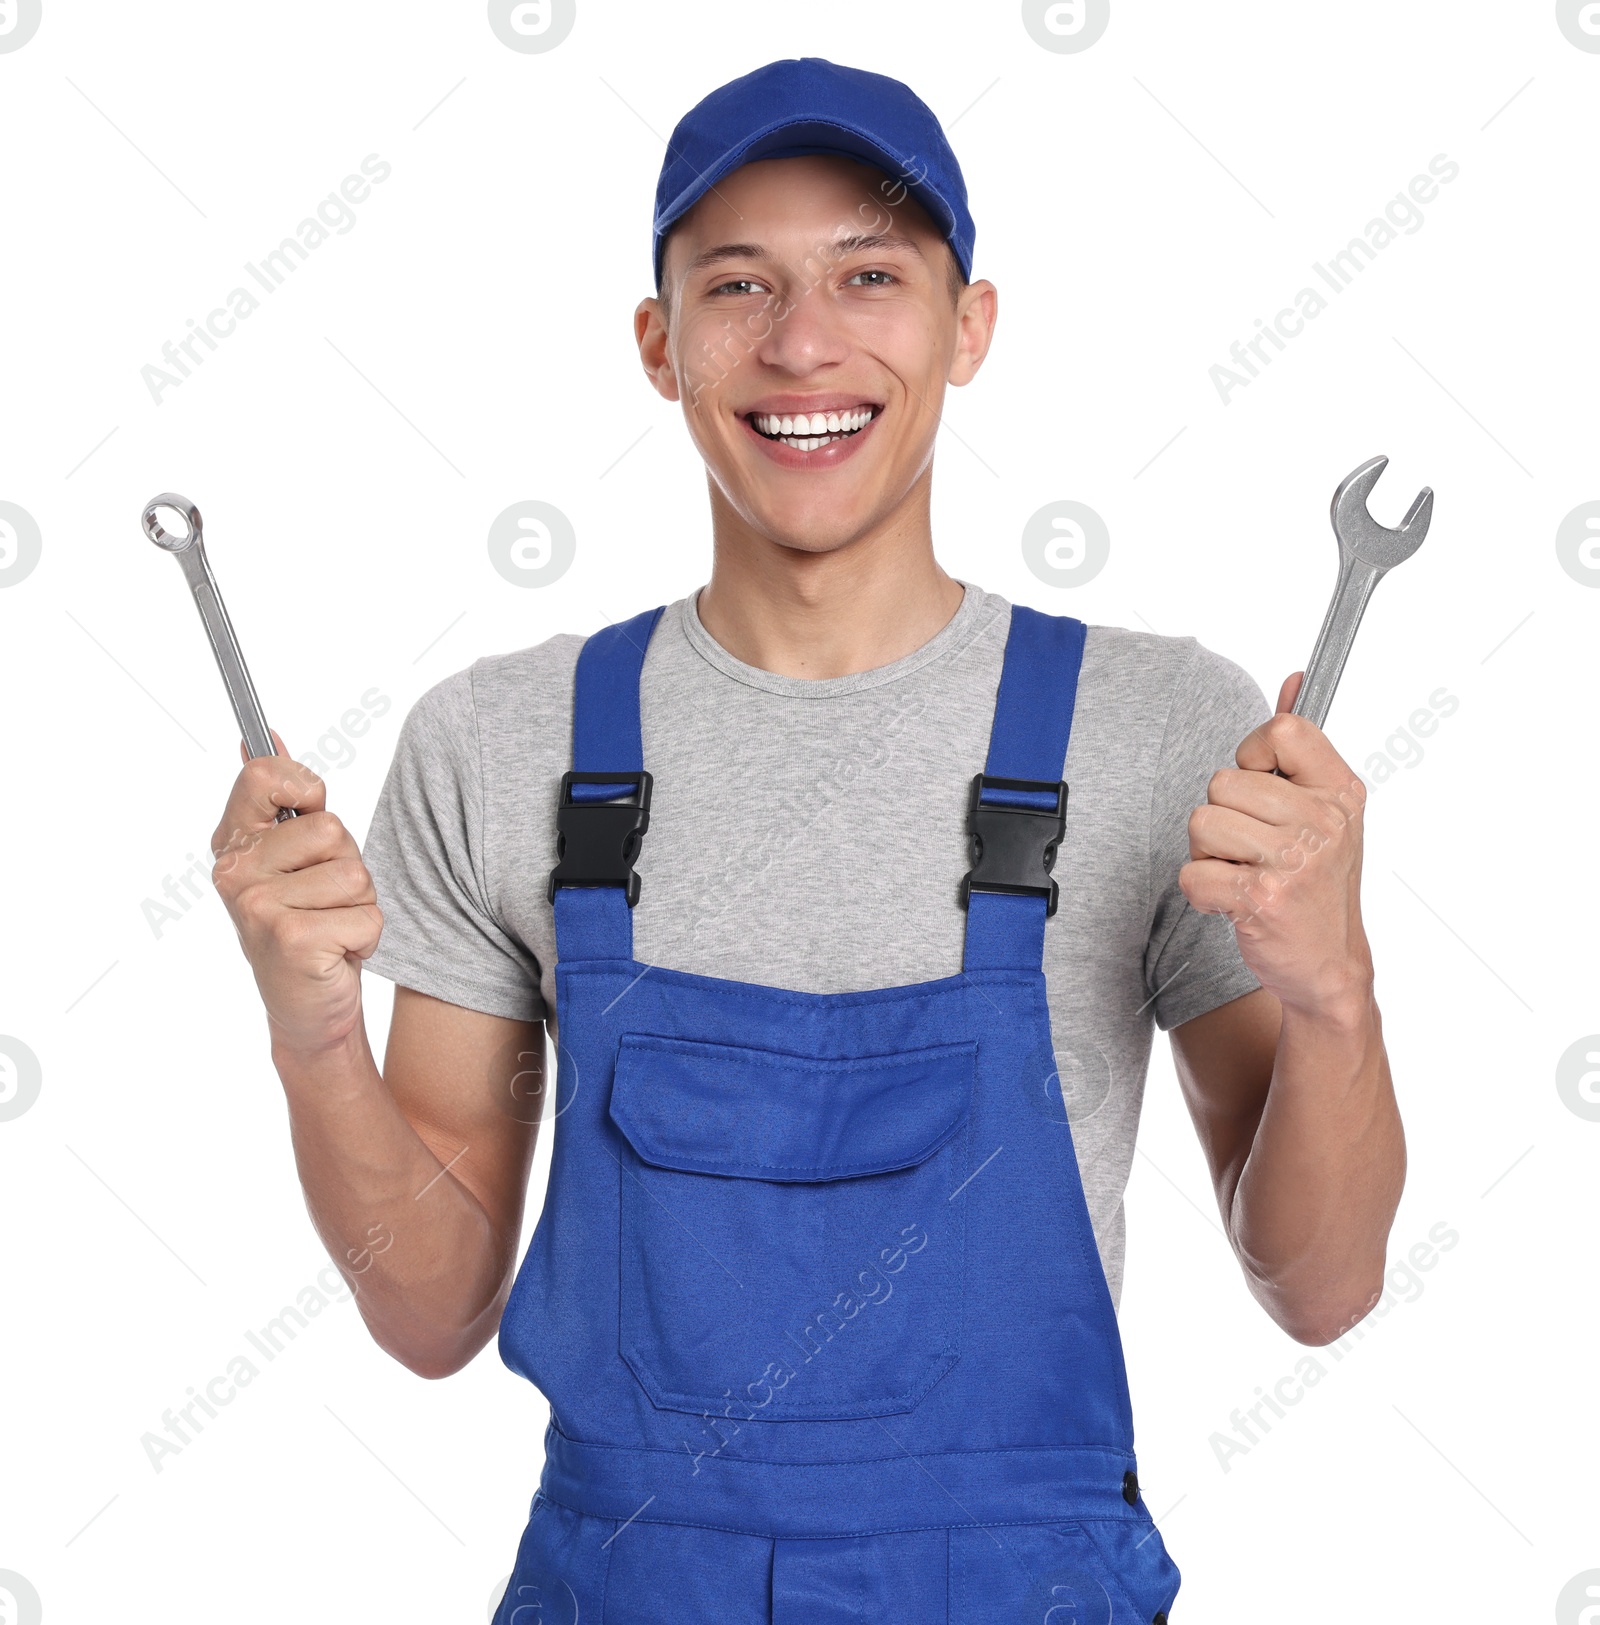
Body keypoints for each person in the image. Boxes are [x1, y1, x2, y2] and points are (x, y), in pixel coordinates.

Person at [210, 57, 1404, 1624]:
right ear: (660, 343)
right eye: (739, 284)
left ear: (968, 326)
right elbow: (432, 1309)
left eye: (871, 274)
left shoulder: (1159, 725)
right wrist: (312, 1037)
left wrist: (1333, 990)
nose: (803, 342)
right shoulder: (505, 743)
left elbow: (1321, 1287)